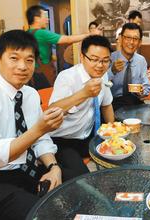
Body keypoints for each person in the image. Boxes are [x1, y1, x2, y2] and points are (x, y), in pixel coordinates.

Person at [0, 30, 69, 220]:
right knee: (45, 214)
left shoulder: (30, 94)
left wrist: (53, 167)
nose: (22, 66)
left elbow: (41, 139)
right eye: (14, 58)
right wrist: (40, 129)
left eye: (29, 60)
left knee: (74, 184)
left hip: (24, 169)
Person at [49, 35, 115, 171]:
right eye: (94, 59)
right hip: (63, 140)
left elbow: (106, 105)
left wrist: (113, 134)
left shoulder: (103, 75)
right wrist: (84, 93)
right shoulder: (67, 77)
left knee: (121, 155)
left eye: (105, 61)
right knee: (81, 177)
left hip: (88, 136)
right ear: (82, 57)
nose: (100, 65)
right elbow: (52, 111)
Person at [26, 5, 102, 89]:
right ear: (36, 18)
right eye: (45, 17)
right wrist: (91, 34)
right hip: (42, 75)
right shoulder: (41, 33)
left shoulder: (27, 33)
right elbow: (67, 39)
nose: (47, 20)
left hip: (32, 73)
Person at [108, 23, 150, 110]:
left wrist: (142, 92)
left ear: (140, 42)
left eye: (135, 39)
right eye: (128, 38)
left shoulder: (141, 60)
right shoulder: (110, 58)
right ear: (121, 39)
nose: (131, 42)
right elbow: (100, 83)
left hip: (135, 102)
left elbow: (147, 87)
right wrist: (112, 71)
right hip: (113, 103)